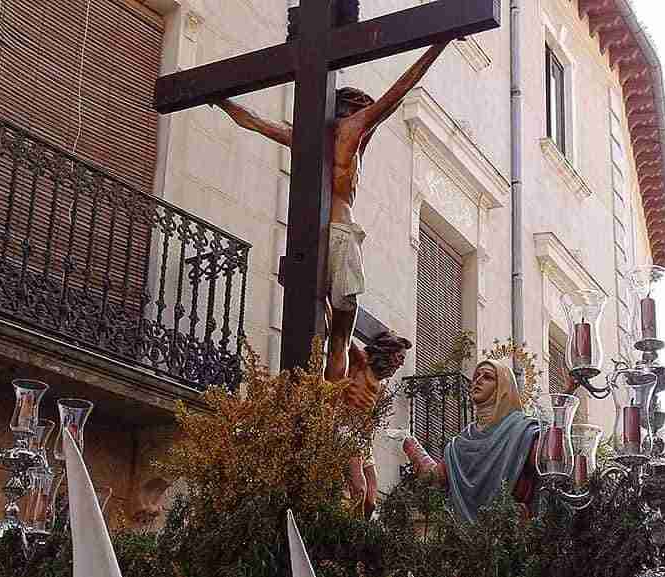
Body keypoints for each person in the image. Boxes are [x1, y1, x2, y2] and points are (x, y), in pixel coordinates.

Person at [215, 42, 450, 384]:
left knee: (318, 320)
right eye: (365, 111)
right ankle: (327, 397)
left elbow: (252, 121)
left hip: (309, 237)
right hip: (340, 233)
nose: (370, 123)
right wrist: (439, 44)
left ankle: (317, 392)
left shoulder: (305, 138)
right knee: (341, 329)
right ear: (353, 108)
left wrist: (220, 100)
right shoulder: (353, 129)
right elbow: (399, 91)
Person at [403, 359, 542, 522]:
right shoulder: (460, 443)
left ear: (504, 387)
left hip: (511, 530)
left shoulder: (524, 430)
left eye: (487, 377)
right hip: (464, 538)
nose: (478, 380)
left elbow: (549, 466)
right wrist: (410, 444)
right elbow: (434, 478)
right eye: (477, 376)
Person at [342, 331, 412, 519]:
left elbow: (371, 415)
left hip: (363, 440)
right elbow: (342, 336)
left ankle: (362, 528)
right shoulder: (360, 361)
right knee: (359, 488)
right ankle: (350, 531)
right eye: (399, 357)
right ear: (388, 351)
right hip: (346, 430)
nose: (400, 363)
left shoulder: (381, 385)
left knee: (372, 499)